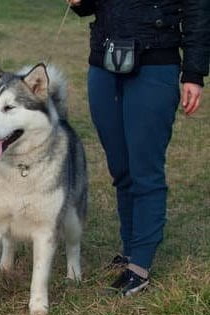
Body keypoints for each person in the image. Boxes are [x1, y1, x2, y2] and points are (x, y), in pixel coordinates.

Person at [68, 0, 210, 295]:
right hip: (104, 64)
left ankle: (140, 267)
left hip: (155, 66)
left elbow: (198, 10)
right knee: (120, 168)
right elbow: (91, 7)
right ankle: (130, 251)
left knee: (145, 169)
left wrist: (194, 74)